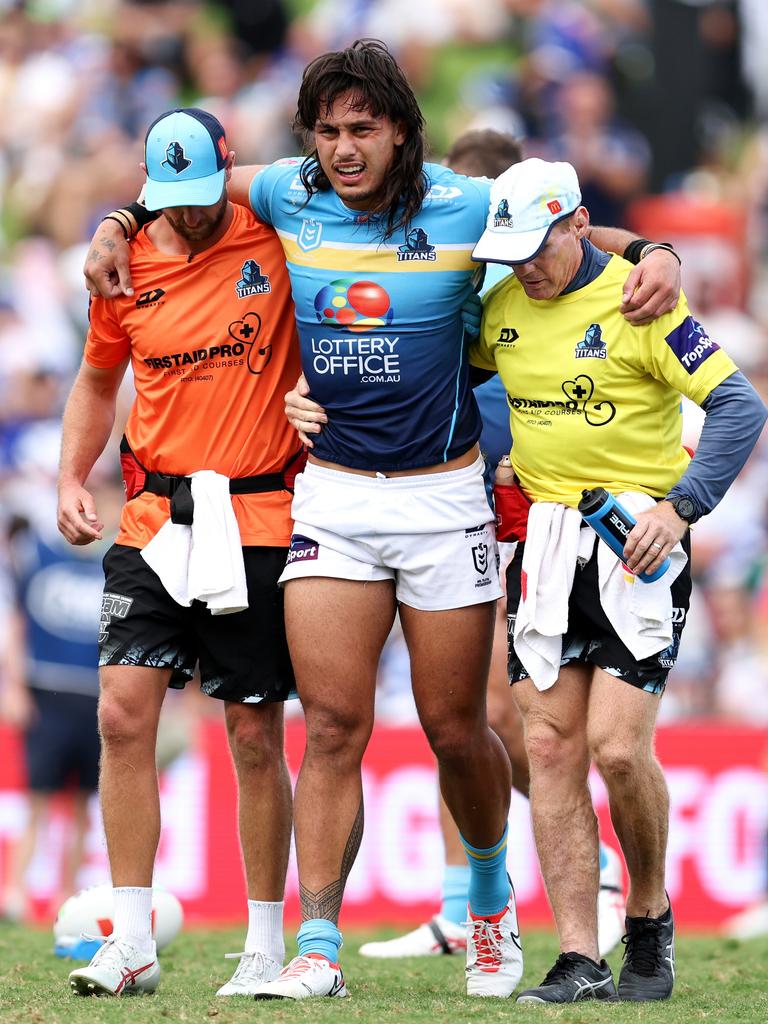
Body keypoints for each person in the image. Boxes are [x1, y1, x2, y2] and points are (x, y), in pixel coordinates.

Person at [83, 41, 682, 1001]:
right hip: (334, 496)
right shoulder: (287, 189)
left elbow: (572, 231)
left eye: (362, 128)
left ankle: (488, 909)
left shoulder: (462, 203)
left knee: (455, 728)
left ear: (402, 128)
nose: (343, 148)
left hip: (445, 502)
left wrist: (656, 250)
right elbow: (183, 174)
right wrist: (118, 219)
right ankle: (317, 948)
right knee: (330, 725)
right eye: (326, 131)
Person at [466, 157, 767, 1002]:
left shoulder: (645, 299)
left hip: (638, 544)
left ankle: (648, 913)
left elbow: (741, 406)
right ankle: (578, 955)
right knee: (551, 747)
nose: (525, 263)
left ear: (578, 223)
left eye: (539, 244)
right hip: (546, 547)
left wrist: (682, 509)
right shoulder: (501, 311)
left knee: (617, 750)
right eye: (512, 249)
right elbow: (435, 367)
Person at [358, 128, 626, 963]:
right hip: (436, 502)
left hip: (516, 513)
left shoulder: (530, 278)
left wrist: (659, 250)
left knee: (493, 715)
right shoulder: (443, 265)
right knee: (450, 715)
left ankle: (603, 866)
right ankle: (459, 903)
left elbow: (608, 246)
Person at [58, 107, 303, 997]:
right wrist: (70, 478)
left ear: (230, 173)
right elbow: (97, 377)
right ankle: (131, 939)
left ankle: (266, 942)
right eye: (168, 201)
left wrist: (117, 214)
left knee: (250, 731)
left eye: (204, 196)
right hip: (154, 519)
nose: (188, 215)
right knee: (122, 717)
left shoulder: (276, 232)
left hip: (261, 515)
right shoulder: (124, 261)